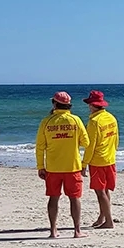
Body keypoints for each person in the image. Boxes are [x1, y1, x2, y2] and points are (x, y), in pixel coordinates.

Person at [36, 91, 90, 238]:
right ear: (69, 105)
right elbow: (86, 142)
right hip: (72, 166)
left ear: (54, 104)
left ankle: (53, 230)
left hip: (53, 167)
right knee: (75, 198)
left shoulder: (46, 122)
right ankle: (77, 230)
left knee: (53, 198)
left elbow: (40, 146)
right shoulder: (76, 120)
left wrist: (40, 166)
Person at [81, 90, 119, 228]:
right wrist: (112, 153)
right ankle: (102, 217)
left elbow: (90, 146)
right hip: (110, 158)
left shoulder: (94, 122)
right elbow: (116, 140)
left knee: (100, 191)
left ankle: (109, 221)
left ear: (92, 105)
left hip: (98, 160)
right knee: (105, 190)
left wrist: (84, 163)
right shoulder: (111, 117)